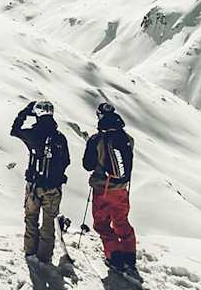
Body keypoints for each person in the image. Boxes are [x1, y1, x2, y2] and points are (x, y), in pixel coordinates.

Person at [10, 100, 70, 263]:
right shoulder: (60, 138)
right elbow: (66, 161)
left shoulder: (32, 134)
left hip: (34, 186)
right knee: (48, 223)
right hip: (53, 188)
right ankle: (44, 257)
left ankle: (30, 252)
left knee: (31, 218)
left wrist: (24, 113)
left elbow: (14, 131)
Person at [83, 102, 137, 275]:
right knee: (121, 221)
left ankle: (114, 256)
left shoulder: (96, 139)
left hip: (102, 190)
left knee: (102, 224)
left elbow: (87, 165)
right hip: (121, 189)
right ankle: (129, 256)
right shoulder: (127, 138)